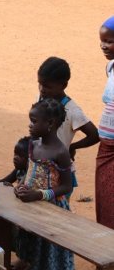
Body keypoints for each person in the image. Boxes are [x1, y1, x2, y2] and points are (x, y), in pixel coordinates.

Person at [15, 99, 74, 270]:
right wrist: (21, 187)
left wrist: (40, 194)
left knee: (54, 253)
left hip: (54, 212)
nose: (30, 125)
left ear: (49, 124)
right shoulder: (33, 145)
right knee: (38, 251)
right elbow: (29, 172)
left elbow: (66, 186)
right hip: (34, 208)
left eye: (34, 121)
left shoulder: (60, 152)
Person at [37, 56, 99, 192]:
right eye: (40, 84)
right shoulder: (42, 99)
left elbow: (94, 135)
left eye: (47, 86)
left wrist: (72, 147)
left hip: (60, 173)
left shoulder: (72, 110)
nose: (42, 89)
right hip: (39, 167)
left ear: (63, 85)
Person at [97, 17, 114, 270]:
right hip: (106, 151)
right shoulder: (111, 67)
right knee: (105, 212)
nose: (104, 45)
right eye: (101, 39)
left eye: (110, 40)